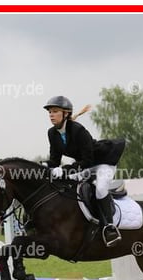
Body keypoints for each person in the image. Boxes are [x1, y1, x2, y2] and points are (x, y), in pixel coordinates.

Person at [43, 95, 125, 247]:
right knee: (67, 186)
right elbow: (54, 161)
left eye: (55, 111)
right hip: (84, 167)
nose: (51, 115)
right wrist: (43, 166)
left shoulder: (78, 130)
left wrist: (64, 170)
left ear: (66, 113)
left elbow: (87, 160)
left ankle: (109, 227)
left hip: (103, 164)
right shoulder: (52, 133)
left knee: (100, 189)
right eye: (50, 112)